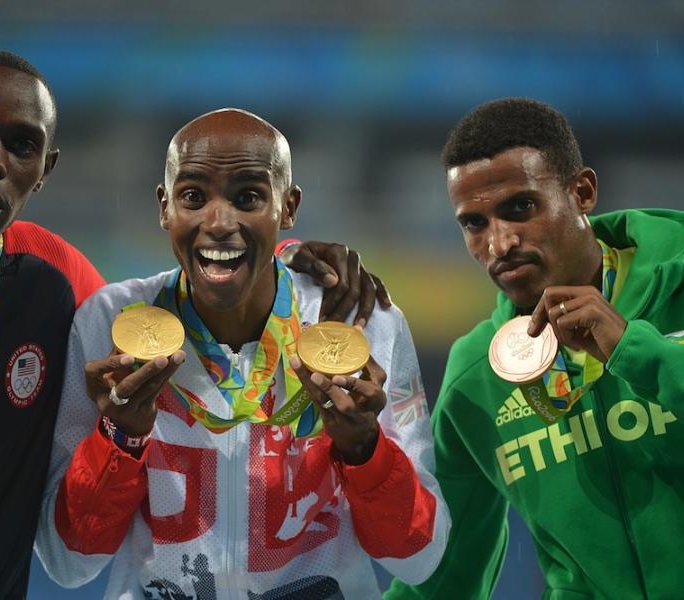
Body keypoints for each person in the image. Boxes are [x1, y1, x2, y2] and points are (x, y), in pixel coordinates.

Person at [0, 51, 384, 599]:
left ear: (45, 169)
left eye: (21, 145)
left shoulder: (59, 278)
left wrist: (287, 261)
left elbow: (176, 304)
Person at [35, 108, 448, 599]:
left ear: (288, 206)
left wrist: (364, 452)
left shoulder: (359, 324)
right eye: (193, 197)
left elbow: (421, 557)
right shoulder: (109, 324)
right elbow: (68, 561)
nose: (219, 222)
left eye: (248, 197)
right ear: (164, 207)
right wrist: (118, 440)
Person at [386, 98, 684, 599]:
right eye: (474, 223)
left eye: (519, 208)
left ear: (582, 192)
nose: (500, 242)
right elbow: (448, 570)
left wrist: (634, 349)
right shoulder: (477, 375)